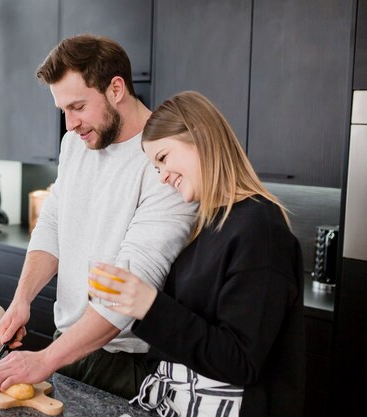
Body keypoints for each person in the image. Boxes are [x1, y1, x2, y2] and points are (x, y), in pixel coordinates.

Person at [0, 34, 197, 399]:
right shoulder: (76, 144)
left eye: (78, 106)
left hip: (125, 362)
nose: (70, 124)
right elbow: (53, 223)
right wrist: (22, 299)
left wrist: (44, 361)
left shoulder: (165, 160)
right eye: (63, 110)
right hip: (66, 345)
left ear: (116, 88)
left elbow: (130, 286)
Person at [88, 91, 305, 416]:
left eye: (163, 158)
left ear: (200, 138)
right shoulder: (206, 225)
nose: (161, 177)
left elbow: (240, 362)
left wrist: (150, 305)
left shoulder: (261, 229)